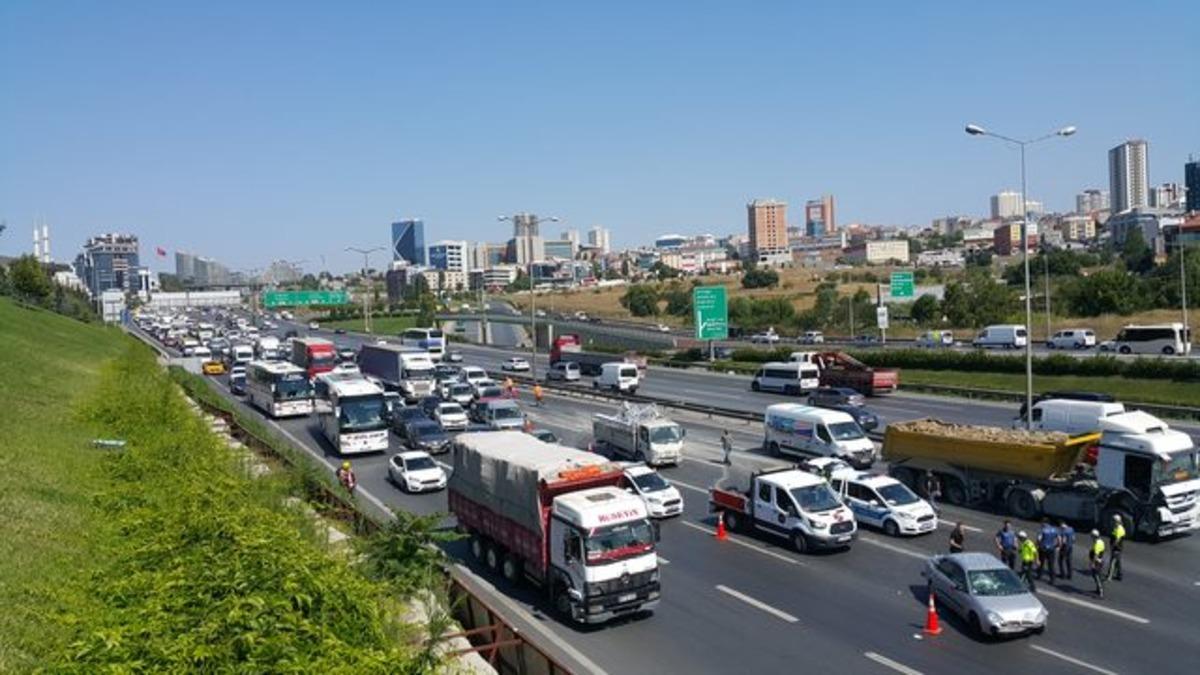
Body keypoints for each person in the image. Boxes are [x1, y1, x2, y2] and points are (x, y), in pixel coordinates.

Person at [1037, 518, 1059, 582]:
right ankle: (1052, 579)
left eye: (1042, 523)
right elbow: (1059, 539)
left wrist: (1037, 545)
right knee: (1051, 564)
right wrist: (1057, 546)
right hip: (1051, 549)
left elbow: (1039, 539)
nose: (1041, 524)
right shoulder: (1054, 530)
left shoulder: (1042, 530)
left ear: (1044, 523)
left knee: (1041, 563)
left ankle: (1039, 576)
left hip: (1043, 549)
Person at [1106, 514, 1126, 582]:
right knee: (1117, 562)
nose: (1112, 522)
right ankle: (1119, 575)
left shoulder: (1119, 529)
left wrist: (1112, 546)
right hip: (1118, 548)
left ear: (1117, 521)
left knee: (1112, 562)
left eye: (1113, 520)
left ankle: (1109, 576)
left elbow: (1117, 540)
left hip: (1116, 548)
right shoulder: (1117, 527)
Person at [1089, 529, 1107, 598]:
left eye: (1091, 536)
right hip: (1099, 561)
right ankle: (1098, 590)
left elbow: (1096, 555)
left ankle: (1101, 592)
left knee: (1097, 576)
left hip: (1097, 562)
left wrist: (1092, 563)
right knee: (1096, 575)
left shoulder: (1097, 544)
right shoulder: (1100, 541)